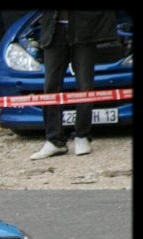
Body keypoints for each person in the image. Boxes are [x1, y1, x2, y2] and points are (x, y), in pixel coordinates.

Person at [30, 10, 118, 160]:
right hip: (53, 28)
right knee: (50, 85)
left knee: (84, 85)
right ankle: (54, 140)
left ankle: (82, 136)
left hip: (84, 29)